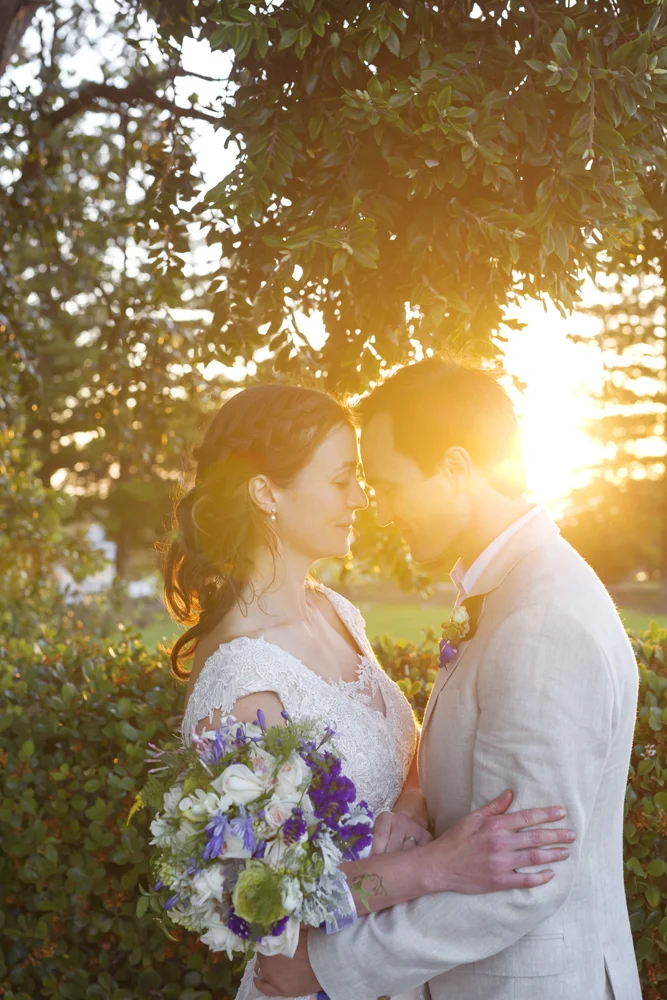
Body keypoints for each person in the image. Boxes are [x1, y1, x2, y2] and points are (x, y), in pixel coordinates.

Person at [161, 381, 574, 1000]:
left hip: (398, 971)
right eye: (341, 479)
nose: (362, 498)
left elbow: (400, 749)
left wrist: (409, 804)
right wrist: (433, 867)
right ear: (265, 491)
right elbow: (262, 899)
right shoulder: (240, 678)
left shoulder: (335, 612)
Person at [255, 360, 641, 1000]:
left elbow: (527, 877)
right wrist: (414, 807)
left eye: (388, 484)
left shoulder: (540, 619)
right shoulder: (509, 588)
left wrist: (326, 964)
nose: (378, 511)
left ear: (457, 468)